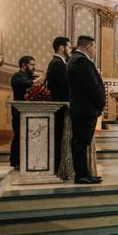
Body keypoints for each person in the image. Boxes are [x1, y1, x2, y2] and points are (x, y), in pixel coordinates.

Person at [66, 36, 106, 184]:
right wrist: (101, 103)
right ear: (88, 47)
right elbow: (92, 87)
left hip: (83, 108)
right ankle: (81, 174)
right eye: (94, 47)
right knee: (80, 143)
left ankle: (84, 173)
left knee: (82, 143)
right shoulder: (81, 61)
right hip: (84, 109)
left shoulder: (76, 59)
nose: (94, 51)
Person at [46, 37, 70, 173]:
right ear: (61, 48)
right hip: (60, 105)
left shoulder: (58, 62)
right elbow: (64, 85)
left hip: (60, 104)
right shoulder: (57, 63)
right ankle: (57, 167)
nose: (69, 49)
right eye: (68, 46)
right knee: (59, 137)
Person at [9, 56, 37, 170]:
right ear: (24, 65)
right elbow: (28, 84)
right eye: (32, 64)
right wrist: (41, 78)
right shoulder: (17, 77)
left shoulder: (28, 76)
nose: (34, 67)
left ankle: (25, 160)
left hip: (27, 111)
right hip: (19, 111)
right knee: (19, 136)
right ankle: (15, 161)